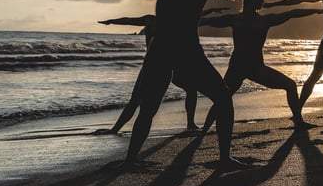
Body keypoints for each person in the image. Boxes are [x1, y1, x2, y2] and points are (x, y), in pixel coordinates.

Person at [85, 0, 297, 169]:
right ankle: (222, 159)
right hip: (184, 50)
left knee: (150, 107)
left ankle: (131, 159)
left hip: (166, 50)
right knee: (220, 99)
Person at [199, 0, 323, 130]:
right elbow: (206, 21)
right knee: (222, 100)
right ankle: (204, 131)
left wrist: (316, 10)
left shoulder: (263, 20)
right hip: (238, 69)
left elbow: (292, 13)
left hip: (255, 68)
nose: (262, 1)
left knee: (290, 85)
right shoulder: (237, 19)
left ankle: (299, 122)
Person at [93, 8, 227, 134]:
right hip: (157, 65)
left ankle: (190, 124)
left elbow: (196, 15)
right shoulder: (152, 20)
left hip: (170, 64)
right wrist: (111, 21)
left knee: (189, 90)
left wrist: (211, 11)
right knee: (137, 99)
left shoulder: (164, 20)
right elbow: (128, 20)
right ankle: (115, 129)